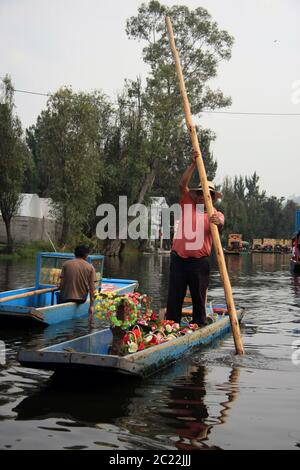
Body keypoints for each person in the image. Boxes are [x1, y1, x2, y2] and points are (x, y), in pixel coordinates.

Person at [166, 152, 224, 326]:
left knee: (199, 296)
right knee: (175, 295)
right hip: (179, 260)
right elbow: (182, 184)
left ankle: (199, 324)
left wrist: (217, 222)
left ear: (212, 198)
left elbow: (220, 223)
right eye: (199, 193)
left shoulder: (215, 214)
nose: (201, 197)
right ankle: (171, 325)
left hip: (199, 263)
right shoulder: (187, 203)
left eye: (206, 195)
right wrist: (192, 164)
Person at [59, 244, 97, 316]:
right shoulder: (90, 267)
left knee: (60, 296)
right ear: (86, 255)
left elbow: (61, 284)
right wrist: (91, 306)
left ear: (74, 254)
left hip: (65, 298)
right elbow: (92, 288)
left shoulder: (66, 264)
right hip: (81, 299)